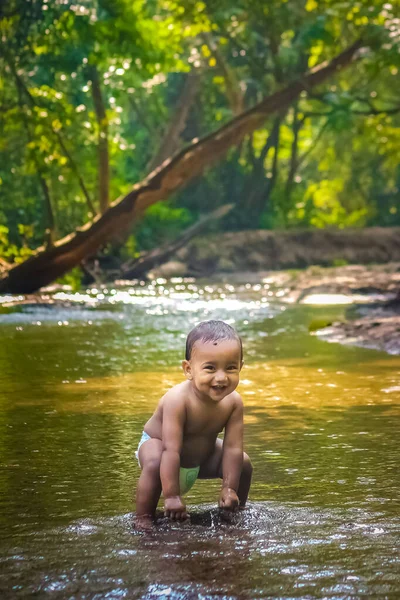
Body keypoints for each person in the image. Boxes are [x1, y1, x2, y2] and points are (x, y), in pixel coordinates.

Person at [135, 319, 253, 524]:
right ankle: (143, 518)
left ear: (241, 367)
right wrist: (171, 496)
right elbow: (170, 450)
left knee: (243, 462)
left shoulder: (234, 402)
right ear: (188, 369)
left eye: (231, 368)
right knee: (154, 461)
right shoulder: (177, 400)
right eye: (210, 368)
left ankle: (235, 508)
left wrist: (229, 487)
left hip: (201, 456)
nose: (221, 378)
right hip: (164, 452)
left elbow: (232, 448)